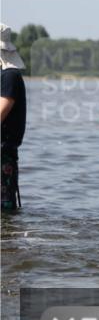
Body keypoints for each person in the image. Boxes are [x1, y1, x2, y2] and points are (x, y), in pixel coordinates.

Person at [1, 24, 26, 212]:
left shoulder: (9, 76)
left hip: (4, 150)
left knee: (4, 208)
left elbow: (3, 109)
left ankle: (8, 240)